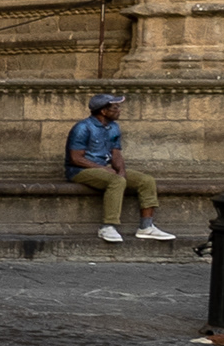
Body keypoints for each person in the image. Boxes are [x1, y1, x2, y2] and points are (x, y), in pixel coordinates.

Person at [67, 92, 172, 243]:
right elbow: (76, 158)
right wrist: (103, 170)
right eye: (115, 108)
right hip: (79, 171)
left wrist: (121, 171)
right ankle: (108, 226)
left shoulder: (113, 127)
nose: (119, 110)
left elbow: (116, 153)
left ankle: (146, 227)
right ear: (103, 111)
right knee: (116, 181)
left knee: (146, 180)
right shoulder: (82, 127)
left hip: (102, 168)